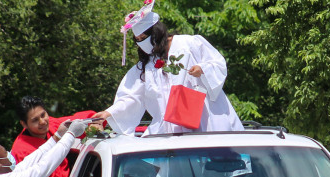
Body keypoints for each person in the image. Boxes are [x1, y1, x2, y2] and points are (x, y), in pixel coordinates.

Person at [92, 0, 243, 135]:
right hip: (170, 127)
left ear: (155, 32)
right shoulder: (147, 64)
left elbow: (218, 63)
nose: (141, 43)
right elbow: (132, 96)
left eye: (143, 38)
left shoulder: (188, 43)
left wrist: (202, 69)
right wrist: (108, 113)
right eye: (137, 40)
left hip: (206, 119)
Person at [11, 95, 96, 177]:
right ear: (24, 124)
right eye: (35, 120)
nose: (43, 122)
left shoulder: (53, 126)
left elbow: (81, 119)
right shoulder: (21, 150)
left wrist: (97, 121)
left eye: (43, 115)